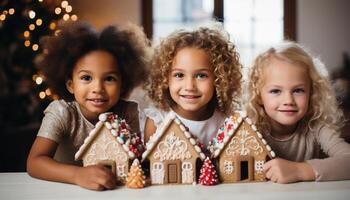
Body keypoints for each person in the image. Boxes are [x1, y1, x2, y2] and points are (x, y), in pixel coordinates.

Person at [26, 21, 150, 190]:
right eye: (86, 78)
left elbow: (136, 157)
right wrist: (77, 175)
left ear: (123, 84)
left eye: (109, 79)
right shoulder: (62, 113)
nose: (98, 89)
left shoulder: (128, 112)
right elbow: (34, 162)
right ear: (70, 85)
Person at [246, 41, 350, 183]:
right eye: (276, 91)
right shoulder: (250, 131)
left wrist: (299, 171)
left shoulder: (315, 128)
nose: (288, 100)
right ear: (258, 97)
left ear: (311, 93)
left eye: (298, 90)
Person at [143, 25, 242, 146]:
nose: (189, 86)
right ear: (164, 78)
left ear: (220, 79)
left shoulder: (227, 122)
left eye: (201, 76)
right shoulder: (158, 121)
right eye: (179, 75)